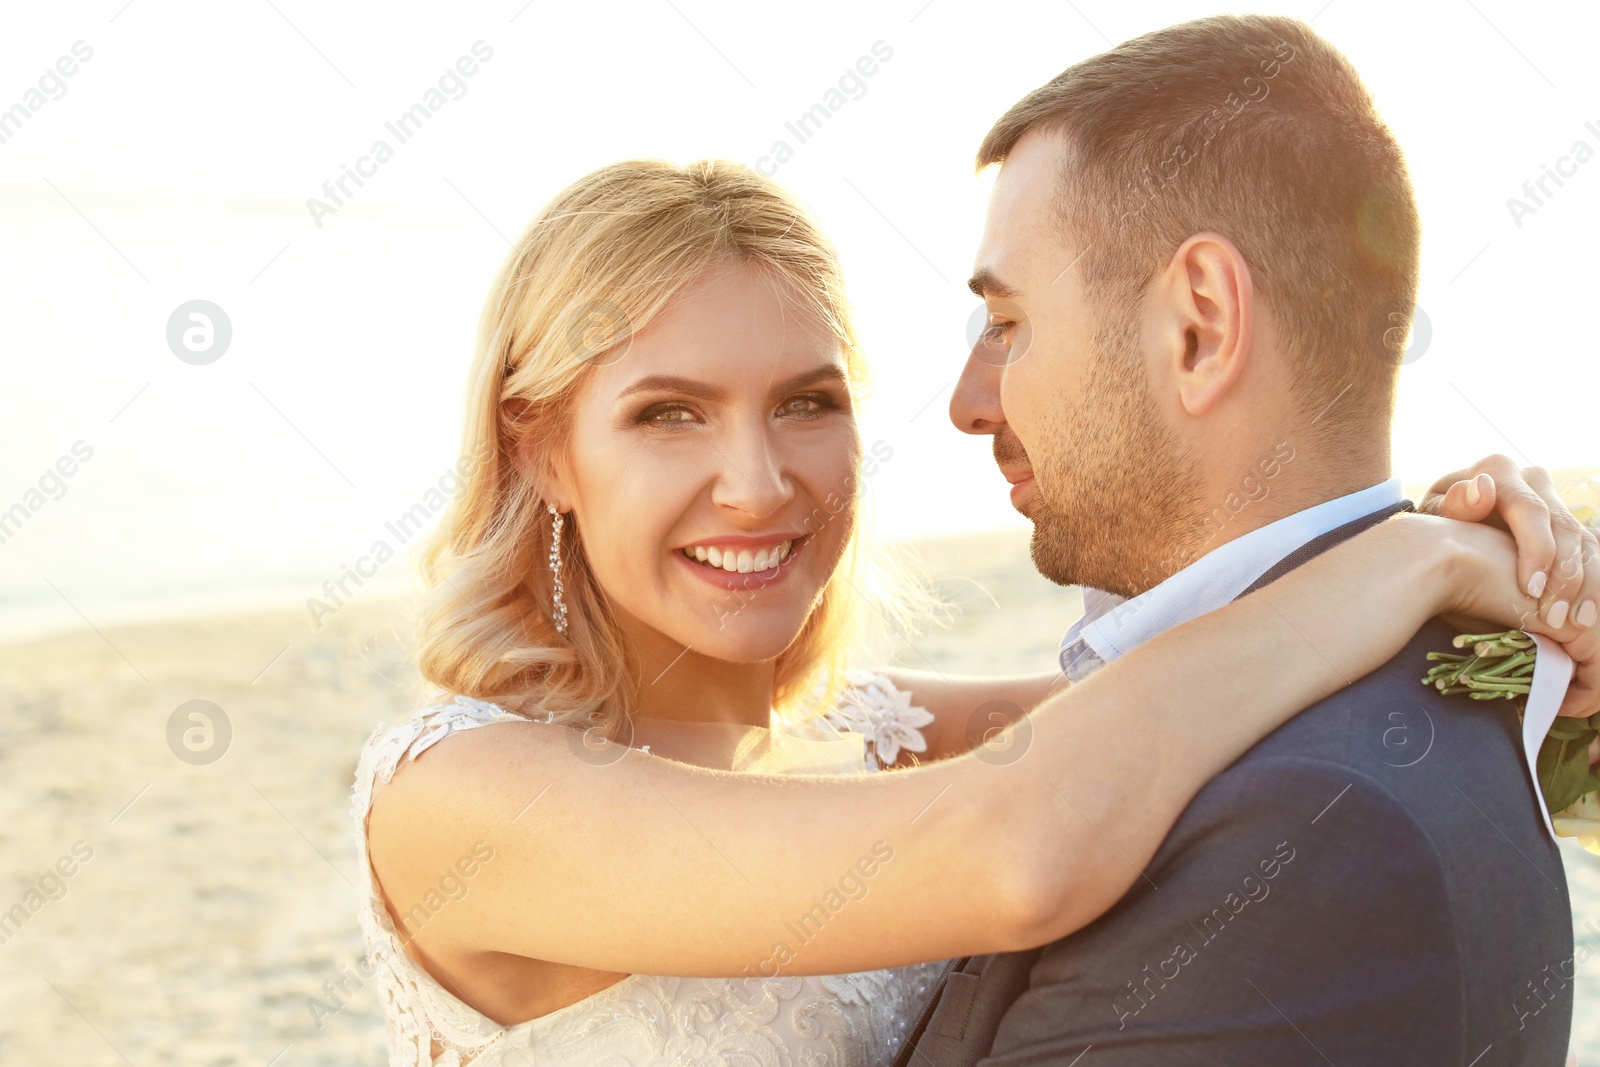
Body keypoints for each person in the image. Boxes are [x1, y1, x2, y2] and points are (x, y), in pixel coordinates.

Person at [351, 156, 1599, 1067]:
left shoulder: (883, 735)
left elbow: (1232, 686)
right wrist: (1404, 564)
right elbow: (1014, 852)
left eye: (805, 402)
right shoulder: (456, 803)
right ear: (545, 456)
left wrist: (1530, 626)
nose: (758, 480)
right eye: (667, 413)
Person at [897, 13, 1598, 1066]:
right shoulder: (1406, 690)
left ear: (1199, 325)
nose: (965, 401)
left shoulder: (1312, 831)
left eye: (1007, 323)